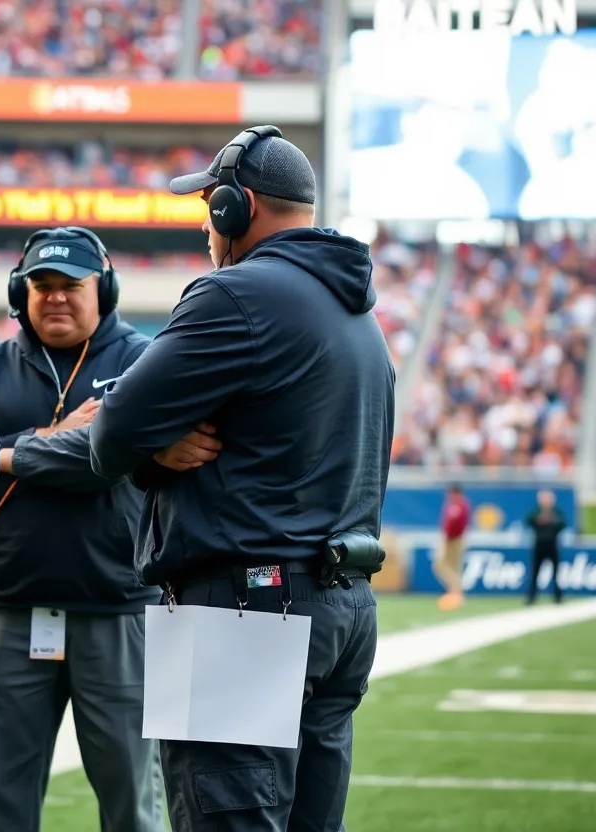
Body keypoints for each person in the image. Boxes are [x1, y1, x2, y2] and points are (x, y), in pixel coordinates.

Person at [89, 126, 395, 832]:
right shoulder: (359, 311)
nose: (204, 226)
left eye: (207, 206)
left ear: (236, 206)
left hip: (243, 604)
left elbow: (110, 433)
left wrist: (151, 451)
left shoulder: (236, 294)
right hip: (343, 603)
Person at [0, 226, 162, 832]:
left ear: (105, 289)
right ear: (22, 292)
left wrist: (5, 454)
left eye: (72, 285)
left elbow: (106, 464)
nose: (56, 298)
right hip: (10, 609)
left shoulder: (142, 362)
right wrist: (57, 438)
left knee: (132, 804)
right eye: (42, 285)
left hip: (118, 609)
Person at [524, 489, 566, 605]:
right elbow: (528, 521)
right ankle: (531, 597)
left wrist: (550, 522)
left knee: (556, 574)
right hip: (539, 546)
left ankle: (558, 597)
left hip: (553, 545)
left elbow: (562, 524)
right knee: (535, 573)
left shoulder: (556, 513)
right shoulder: (536, 512)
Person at [436, 483, 471, 610]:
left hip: (453, 540)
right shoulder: (462, 504)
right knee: (454, 567)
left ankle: (456, 591)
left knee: (441, 565)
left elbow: (452, 522)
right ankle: (456, 592)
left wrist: (446, 537)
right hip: (457, 539)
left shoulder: (457, 504)